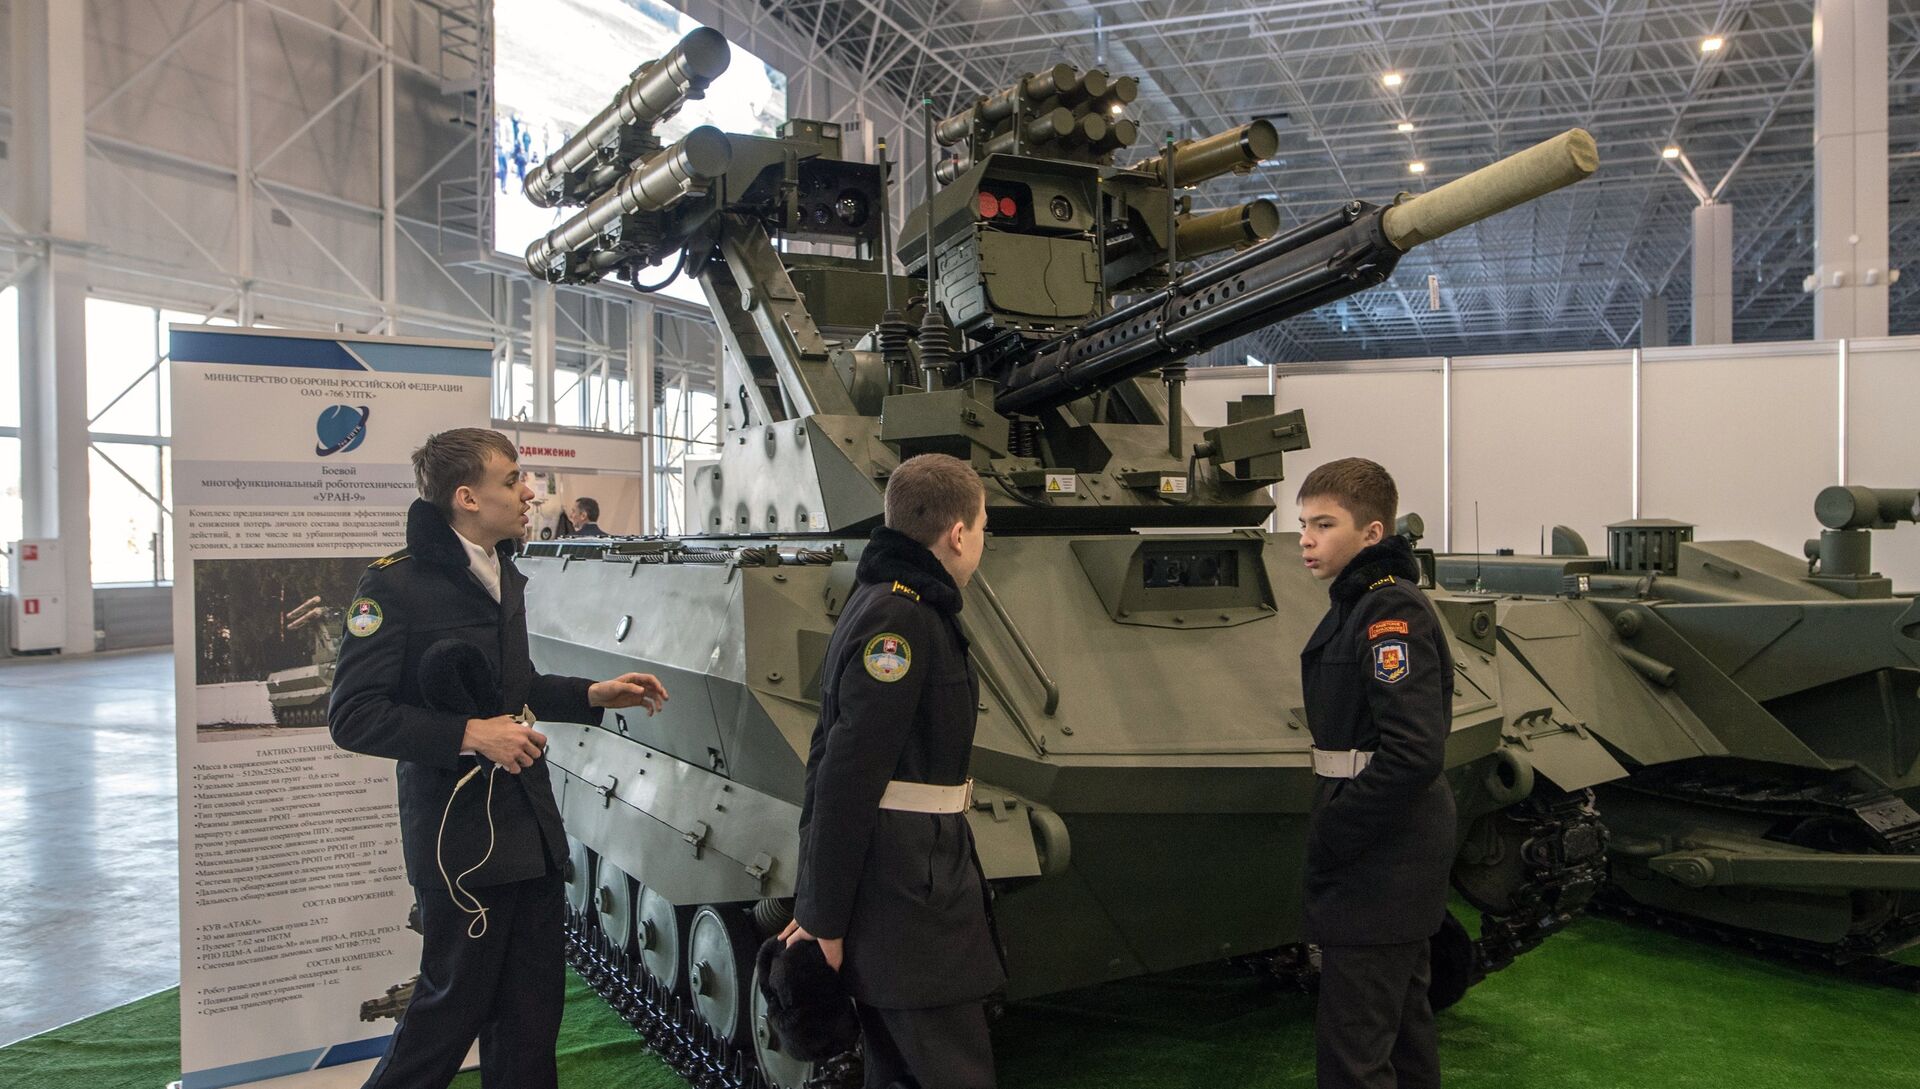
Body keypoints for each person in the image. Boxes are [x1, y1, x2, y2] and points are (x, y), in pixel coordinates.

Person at [329, 428, 668, 1089]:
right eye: (513, 479)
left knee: (529, 1026)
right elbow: (353, 715)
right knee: (445, 1020)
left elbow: (516, 689)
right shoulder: (394, 586)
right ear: (467, 496)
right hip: (462, 847)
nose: (529, 492)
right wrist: (470, 733)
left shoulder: (501, 570)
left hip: (529, 833)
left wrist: (593, 693)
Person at [782, 452, 1004, 1089]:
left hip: (907, 885)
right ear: (957, 533)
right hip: (909, 896)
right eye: (983, 526)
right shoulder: (900, 618)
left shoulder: (891, 599)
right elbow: (845, 774)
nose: (981, 540)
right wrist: (822, 917)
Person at [1296, 457, 1455, 1089]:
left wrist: (1339, 829)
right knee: (1402, 1027)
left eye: (1324, 524)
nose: (1306, 538)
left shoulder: (1389, 613)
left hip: (1381, 849)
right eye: (1303, 523)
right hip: (1385, 843)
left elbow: (1414, 751)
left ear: (1371, 532)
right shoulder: (1359, 603)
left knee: (1354, 1049)